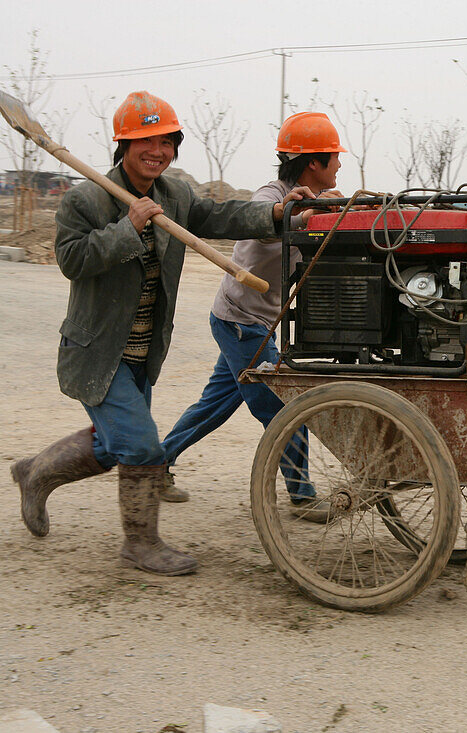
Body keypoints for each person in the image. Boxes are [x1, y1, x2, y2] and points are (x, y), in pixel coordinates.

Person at [10, 91, 315, 576]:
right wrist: (127, 228)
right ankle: (140, 545)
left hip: (141, 353)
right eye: (145, 142)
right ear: (124, 146)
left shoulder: (173, 194)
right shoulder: (85, 198)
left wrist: (275, 216)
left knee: (115, 444)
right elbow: (72, 260)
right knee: (141, 447)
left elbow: (219, 216)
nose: (158, 152)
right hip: (98, 352)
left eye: (166, 142)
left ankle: (35, 472)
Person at [158, 112, 347, 522]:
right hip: (240, 322)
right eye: (334, 157)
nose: (339, 165)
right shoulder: (271, 195)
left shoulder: (321, 199)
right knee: (283, 409)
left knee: (215, 404)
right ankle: (303, 496)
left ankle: (154, 466)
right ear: (313, 163)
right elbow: (262, 224)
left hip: (254, 322)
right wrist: (294, 216)